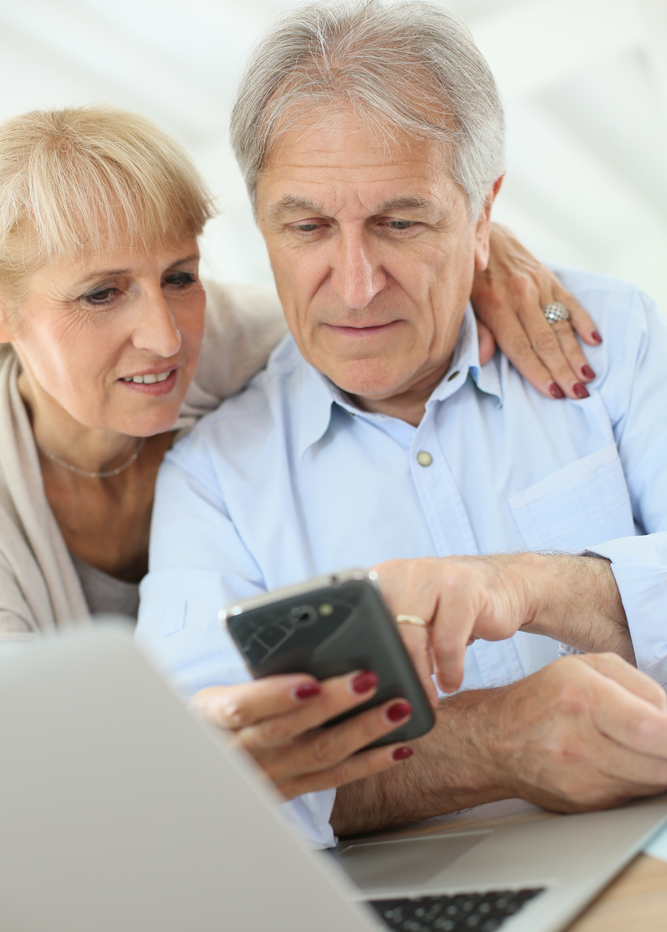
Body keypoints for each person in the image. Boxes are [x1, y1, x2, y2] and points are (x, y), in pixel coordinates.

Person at [136, 0, 667, 850]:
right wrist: (493, 744)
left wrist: (532, 585)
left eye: (400, 222)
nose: (353, 285)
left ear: (484, 212)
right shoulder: (213, 479)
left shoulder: (616, 340)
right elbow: (201, 777)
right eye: (306, 226)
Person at [0, 103, 588, 811]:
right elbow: (39, 765)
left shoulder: (230, 340)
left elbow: (375, 301)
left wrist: (487, 258)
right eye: (101, 294)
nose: (163, 337)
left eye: (180, 276)